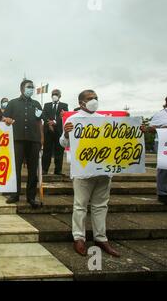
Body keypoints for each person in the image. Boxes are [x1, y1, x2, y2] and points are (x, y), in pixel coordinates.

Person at [60, 89, 121, 258]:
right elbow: (63, 142)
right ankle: (79, 238)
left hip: (103, 171)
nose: (94, 100)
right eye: (90, 98)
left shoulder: (105, 120)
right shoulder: (73, 120)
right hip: (83, 171)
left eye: (95, 98)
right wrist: (66, 133)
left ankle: (101, 238)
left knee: (101, 205)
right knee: (80, 205)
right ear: (81, 103)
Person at [3, 79, 44, 208]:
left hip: (34, 140)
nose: (31, 89)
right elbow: (4, 118)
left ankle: (31, 197)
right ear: (22, 89)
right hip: (17, 139)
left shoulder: (37, 104)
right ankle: (14, 195)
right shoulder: (12, 103)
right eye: (29, 87)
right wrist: (6, 119)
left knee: (33, 170)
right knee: (15, 168)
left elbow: (39, 122)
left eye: (32, 87)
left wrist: (42, 138)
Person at [142, 94, 167, 205]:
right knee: (165, 167)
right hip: (164, 143)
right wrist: (164, 128)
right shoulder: (160, 115)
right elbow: (149, 128)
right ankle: (163, 193)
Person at [42, 89, 69, 176]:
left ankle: (58, 170)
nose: (54, 95)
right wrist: (49, 123)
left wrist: (55, 122)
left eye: (56, 94)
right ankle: (44, 170)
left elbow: (64, 116)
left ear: (60, 95)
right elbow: (43, 115)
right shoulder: (46, 105)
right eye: (53, 94)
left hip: (59, 131)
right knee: (47, 151)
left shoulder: (64, 105)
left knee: (59, 151)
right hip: (48, 131)